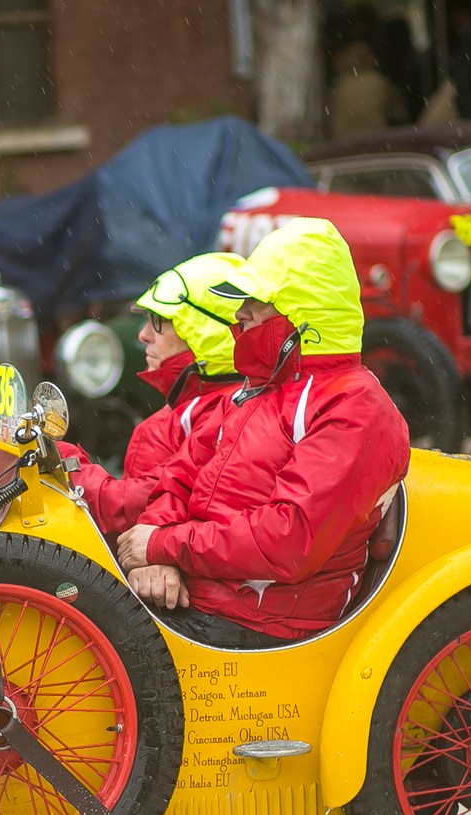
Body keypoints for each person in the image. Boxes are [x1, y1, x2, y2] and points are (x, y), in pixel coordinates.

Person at [110, 219, 412, 647]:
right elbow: (178, 479)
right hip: (200, 600)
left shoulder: (354, 406)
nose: (239, 314)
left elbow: (289, 539)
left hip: (260, 625)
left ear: (302, 313)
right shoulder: (258, 387)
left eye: (255, 300)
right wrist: (154, 557)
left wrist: (163, 545)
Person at [59, 252, 247, 537]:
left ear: (204, 333)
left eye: (159, 321)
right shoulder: (197, 406)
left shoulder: (222, 415)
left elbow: (134, 508)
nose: (144, 334)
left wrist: (61, 461)